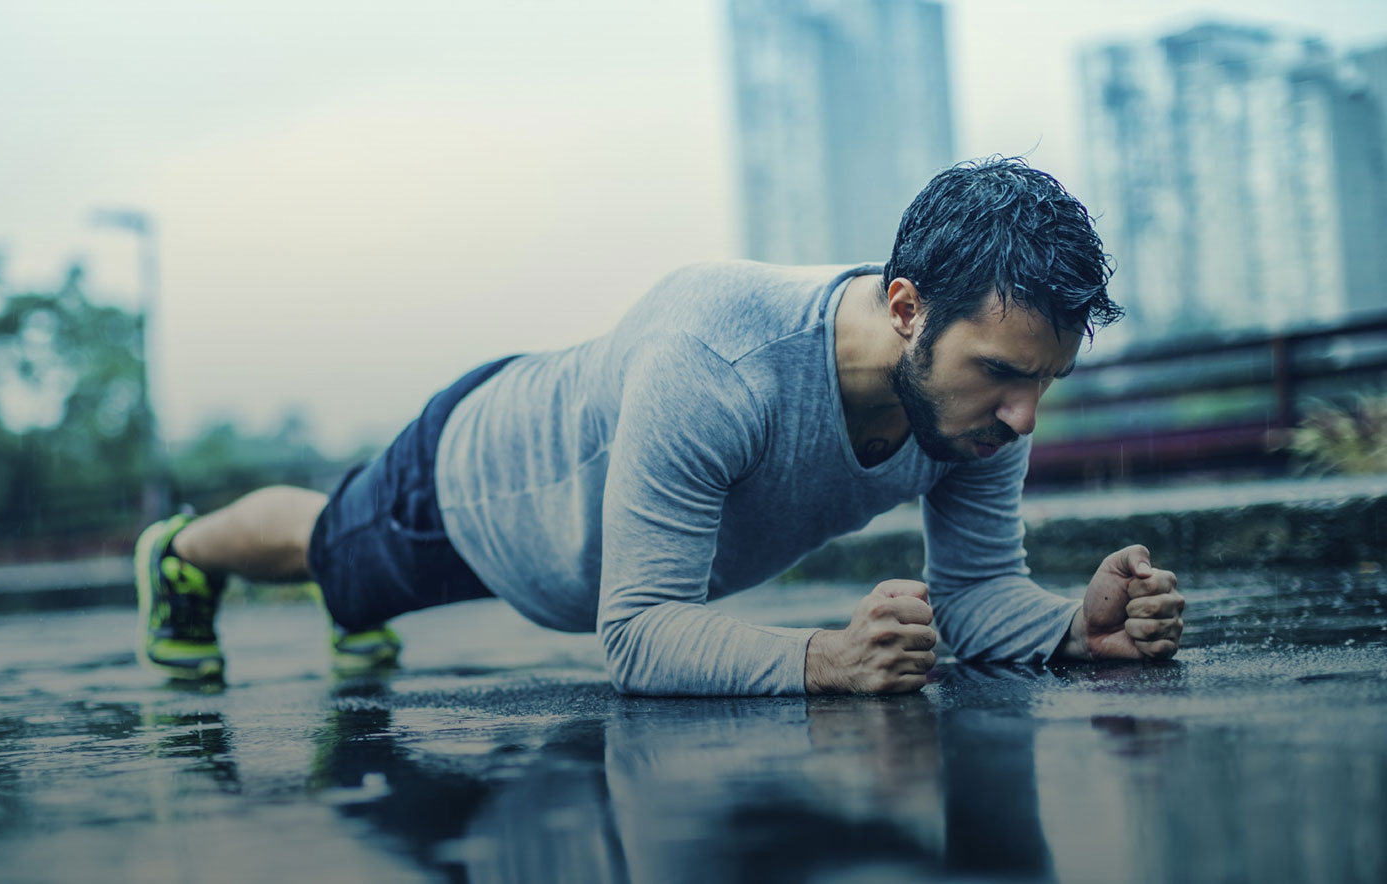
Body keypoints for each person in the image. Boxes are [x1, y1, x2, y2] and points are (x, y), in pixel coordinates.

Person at [134, 157, 1185, 694]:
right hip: (478, 484)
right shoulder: (721, 358)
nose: (1022, 415)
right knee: (332, 549)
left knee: (345, 578)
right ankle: (179, 551)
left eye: (1043, 381)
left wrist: (1067, 629)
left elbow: (975, 594)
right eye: (1002, 374)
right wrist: (824, 657)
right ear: (907, 307)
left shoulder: (974, 406)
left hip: (577, 518)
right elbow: (633, 635)